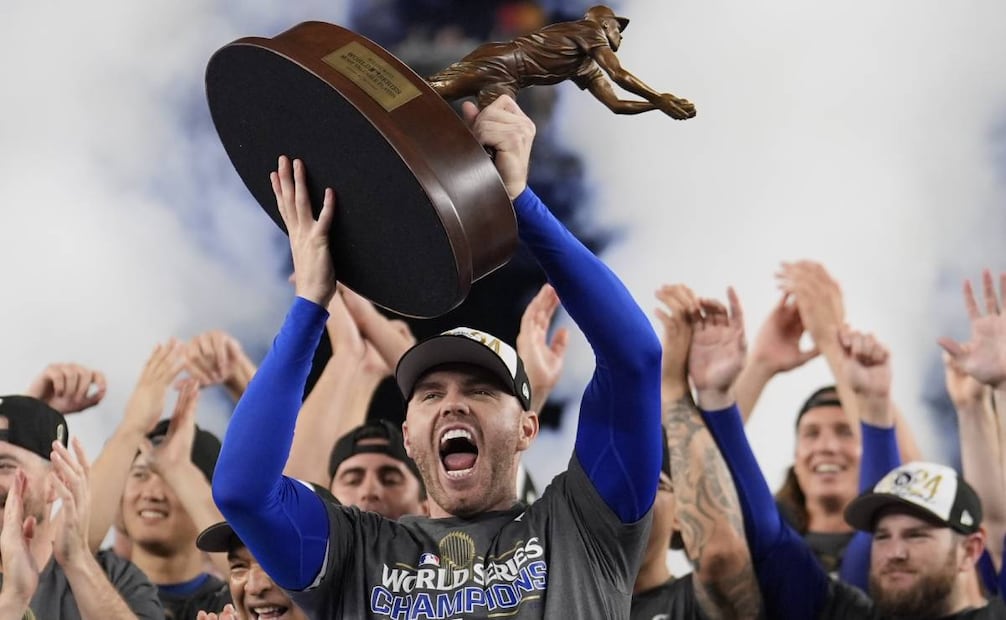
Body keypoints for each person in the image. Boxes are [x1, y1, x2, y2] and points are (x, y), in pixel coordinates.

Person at [212, 94, 663, 618]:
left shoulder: (582, 527)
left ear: (527, 428)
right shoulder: (354, 554)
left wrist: (519, 203)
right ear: (408, 436)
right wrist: (311, 303)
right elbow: (243, 491)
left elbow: (634, 359)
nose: (453, 403)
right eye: (429, 394)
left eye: (481, 389)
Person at [685, 286, 1004, 619]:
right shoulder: (845, 608)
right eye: (882, 537)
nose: (895, 552)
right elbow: (763, 530)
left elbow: (996, 525)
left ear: (970, 550)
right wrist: (716, 396)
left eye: (917, 536)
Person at [628, 283, 762, 619]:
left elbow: (722, 556)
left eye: (653, 484)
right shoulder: (564, 594)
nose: (631, 495)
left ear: (681, 516)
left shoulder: (692, 604)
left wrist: (674, 388)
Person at [0, 395, 164, 619]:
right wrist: (14, 599)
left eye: (4, 465)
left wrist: (77, 560)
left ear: (55, 482)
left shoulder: (118, 579)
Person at [427, 5, 695, 118]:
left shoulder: (584, 66)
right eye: (618, 28)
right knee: (432, 92)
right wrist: (658, 97)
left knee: (498, 134)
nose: (621, 35)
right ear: (605, 24)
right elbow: (618, 74)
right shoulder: (589, 30)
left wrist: (657, 106)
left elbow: (616, 105)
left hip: (509, 81)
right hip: (500, 62)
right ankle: (399, 100)